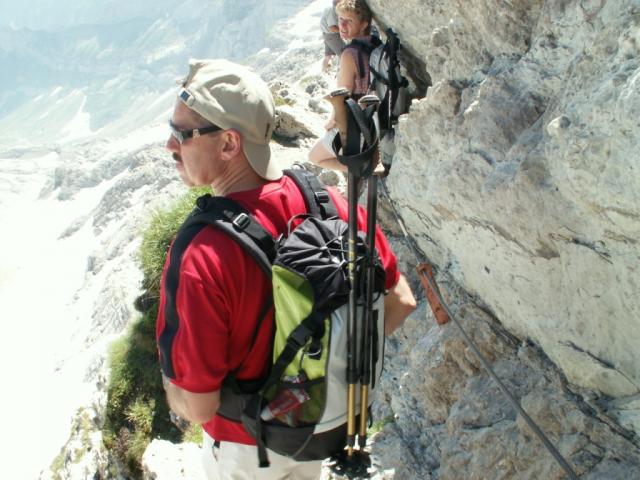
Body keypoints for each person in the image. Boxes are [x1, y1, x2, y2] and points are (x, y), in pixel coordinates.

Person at [156, 58, 417, 480]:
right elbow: (401, 301)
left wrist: (172, 391)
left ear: (229, 144)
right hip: (316, 430)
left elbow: (199, 405)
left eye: (182, 134)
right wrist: (327, 367)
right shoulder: (330, 204)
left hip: (245, 451)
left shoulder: (202, 254)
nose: (170, 145)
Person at [309, 0, 377, 170]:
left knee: (314, 157)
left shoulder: (349, 54)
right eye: (340, 19)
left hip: (358, 125)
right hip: (375, 119)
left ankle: (364, 168)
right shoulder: (375, 44)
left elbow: (343, 95)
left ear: (364, 24)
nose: (343, 26)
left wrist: (332, 122)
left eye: (349, 21)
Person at [320, 0, 345, 71]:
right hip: (332, 36)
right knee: (344, 54)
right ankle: (344, 72)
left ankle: (324, 71)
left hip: (327, 35)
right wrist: (346, 31)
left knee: (329, 56)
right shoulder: (331, 10)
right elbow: (332, 28)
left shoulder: (330, 8)